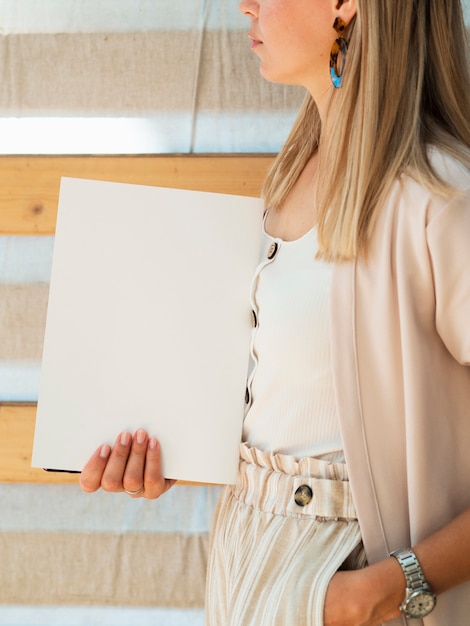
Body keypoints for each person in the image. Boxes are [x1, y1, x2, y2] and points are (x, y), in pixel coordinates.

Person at [80, 0, 470, 624]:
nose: (246, 6)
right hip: (245, 553)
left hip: (349, 569)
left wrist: (383, 590)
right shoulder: (288, 179)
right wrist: (177, 442)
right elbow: (286, 399)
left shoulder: (438, 196)